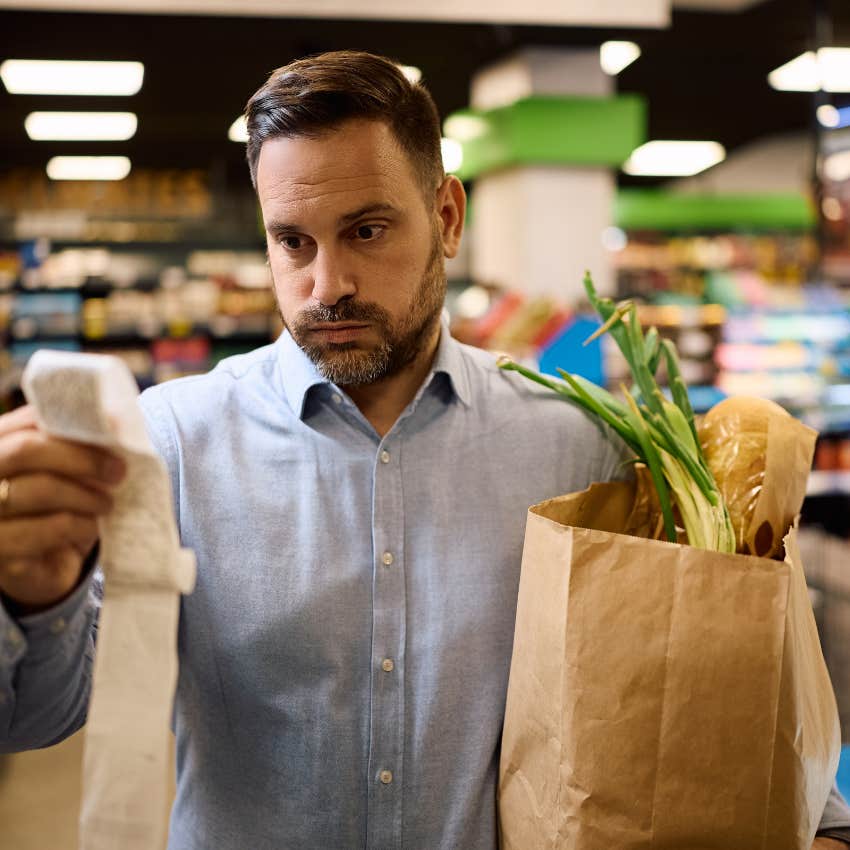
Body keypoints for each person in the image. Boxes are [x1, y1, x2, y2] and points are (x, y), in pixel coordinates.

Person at [0, 50, 848, 850]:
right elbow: (38, 719)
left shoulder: (579, 442)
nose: (326, 285)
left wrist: (822, 820)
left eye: (366, 231)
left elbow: (696, 679)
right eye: (292, 241)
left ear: (446, 217)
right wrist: (40, 595)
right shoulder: (175, 440)